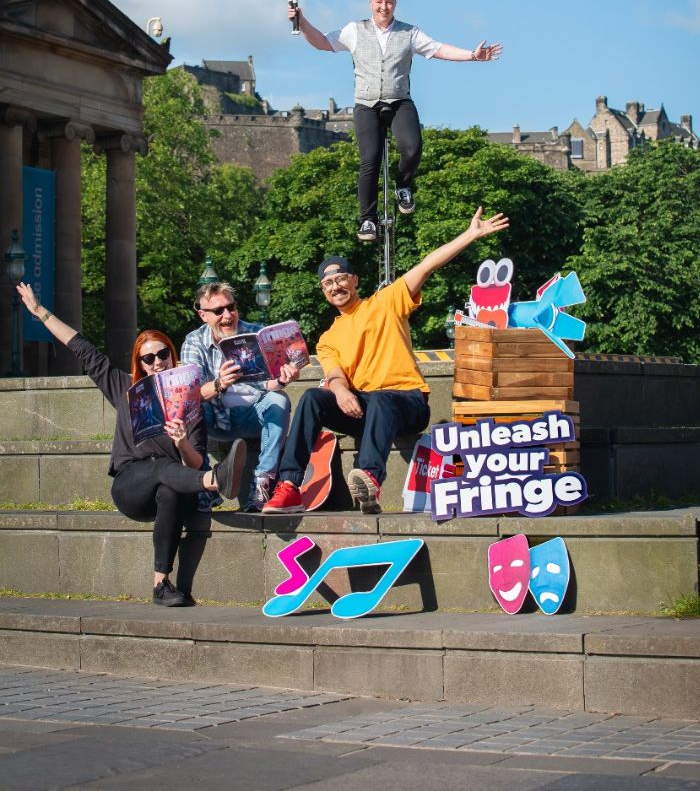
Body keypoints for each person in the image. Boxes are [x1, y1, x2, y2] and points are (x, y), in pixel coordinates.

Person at [263, 205, 510, 514]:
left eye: (340, 279)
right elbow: (335, 374)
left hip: (408, 403)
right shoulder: (327, 338)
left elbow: (425, 266)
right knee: (314, 397)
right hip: (364, 409)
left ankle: (369, 478)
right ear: (323, 291)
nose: (335, 287)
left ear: (354, 280)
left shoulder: (385, 303)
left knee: (380, 399)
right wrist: (340, 391)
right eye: (328, 284)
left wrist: (470, 235)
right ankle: (289, 487)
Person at [16, 282, 246, 608]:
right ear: (140, 363)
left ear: (171, 354)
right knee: (159, 467)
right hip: (131, 487)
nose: (156, 362)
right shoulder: (124, 387)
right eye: (148, 358)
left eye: (162, 354)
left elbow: (193, 462)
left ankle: (161, 584)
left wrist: (181, 442)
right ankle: (214, 481)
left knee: (170, 487)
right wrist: (40, 313)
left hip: (171, 490)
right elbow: (82, 348)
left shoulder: (190, 405)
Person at [289, 0, 502, 241]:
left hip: (399, 100)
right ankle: (368, 219)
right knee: (370, 159)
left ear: (395, 4)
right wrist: (301, 22)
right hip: (367, 104)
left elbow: (438, 49)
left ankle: (403, 186)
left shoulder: (409, 33)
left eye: (388, 2)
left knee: (412, 147)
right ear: (371, 3)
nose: (383, 7)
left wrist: (472, 55)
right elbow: (322, 42)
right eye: (379, 1)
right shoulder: (355, 30)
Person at [180, 281, 300, 511]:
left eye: (231, 307)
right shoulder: (194, 342)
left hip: (253, 414)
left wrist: (283, 378)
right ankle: (205, 486)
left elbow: (269, 383)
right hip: (215, 419)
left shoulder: (255, 333)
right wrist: (219, 383)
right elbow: (191, 394)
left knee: (280, 399)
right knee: (193, 406)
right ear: (203, 315)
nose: (227, 315)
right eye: (218, 311)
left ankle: (262, 484)